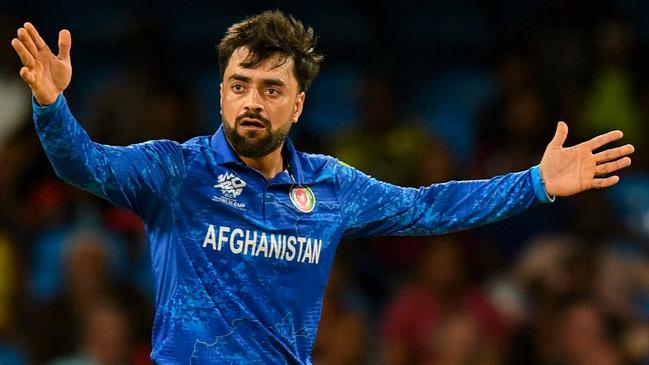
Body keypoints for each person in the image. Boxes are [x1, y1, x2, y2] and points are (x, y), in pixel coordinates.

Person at [10, 10, 634, 365]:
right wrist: (52, 107)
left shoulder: (334, 188)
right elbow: (83, 165)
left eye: (271, 88)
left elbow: (430, 207)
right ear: (221, 91)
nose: (252, 101)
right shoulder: (176, 171)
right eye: (239, 84)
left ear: (299, 104)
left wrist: (535, 183)